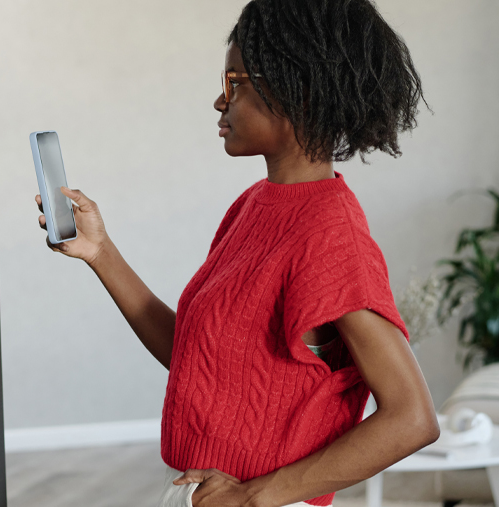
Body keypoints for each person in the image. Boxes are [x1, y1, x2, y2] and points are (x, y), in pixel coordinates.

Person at [34, 0, 439, 505]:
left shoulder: (330, 233)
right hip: (196, 487)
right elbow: (193, 358)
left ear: (300, 93)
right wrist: (101, 252)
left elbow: (412, 418)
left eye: (236, 84)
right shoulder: (254, 205)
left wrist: (254, 496)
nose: (219, 102)